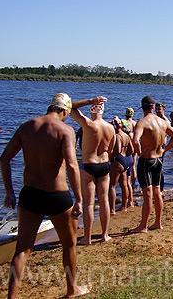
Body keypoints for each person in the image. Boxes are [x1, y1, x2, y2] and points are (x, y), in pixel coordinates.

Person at [0, 93, 88, 298]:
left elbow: (4, 159)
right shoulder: (65, 130)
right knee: (69, 244)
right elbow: (73, 166)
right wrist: (80, 199)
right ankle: (72, 289)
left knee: (22, 249)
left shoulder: (27, 126)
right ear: (65, 111)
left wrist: (9, 192)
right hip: (57, 196)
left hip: (30, 194)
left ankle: (11, 297)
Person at [71, 97, 115, 245]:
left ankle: (87, 237)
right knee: (104, 200)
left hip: (89, 165)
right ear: (103, 111)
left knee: (89, 204)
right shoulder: (111, 128)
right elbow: (111, 149)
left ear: (92, 110)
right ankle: (105, 235)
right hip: (105, 165)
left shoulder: (88, 124)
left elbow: (70, 107)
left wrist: (90, 101)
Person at [131, 95, 173, 232]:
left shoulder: (142, 122)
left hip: (147, 161)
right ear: (153, 107)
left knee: (147, 194)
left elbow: (135, 140)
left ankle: (143, 226)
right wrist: (165, 149)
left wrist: (139, 151)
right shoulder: (162, 121)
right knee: (157, 191)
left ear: (142, 107)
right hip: (158, 160)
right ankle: (158, 222)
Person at [108, 116, 134, 214]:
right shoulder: (126, 135)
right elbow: (132, 150)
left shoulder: (117, 135)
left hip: (118, 160)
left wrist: (111, 157)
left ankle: (112, 209)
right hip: (127, 160)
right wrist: (126, 155)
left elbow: (118, 150)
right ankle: (124, 206)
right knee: (124, 184)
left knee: (112, 186)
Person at [124, 107, 138, 192]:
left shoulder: (125, 122)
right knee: (133, 165)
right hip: (135, 145)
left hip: (127, 146)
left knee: (126, 166)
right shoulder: (135, 123)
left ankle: (127, 184)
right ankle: (132, 184)